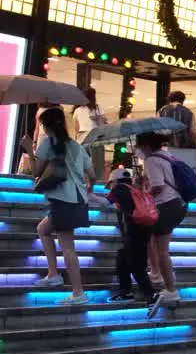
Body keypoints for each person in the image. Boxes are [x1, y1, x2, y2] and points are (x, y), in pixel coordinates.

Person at [32, 108, 94, 305]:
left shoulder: (47, 143)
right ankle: (53, 274)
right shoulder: (76, 146)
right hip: (77, 200)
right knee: (43, 229)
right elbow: (92, 175)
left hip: (63, 200)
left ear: (46, 126)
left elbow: (35, 171)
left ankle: (78, 292)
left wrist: (27, 148)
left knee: (68, 247)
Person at [135, 132, 187, 313]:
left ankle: (170, 288)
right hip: (176, 204)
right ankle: (161, 279)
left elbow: (158, 186)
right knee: (158, 246)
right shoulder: (167, 156)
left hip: (164, 205)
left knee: (160, 248)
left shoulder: (151, 160)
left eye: (140, 146)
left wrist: (144, 194)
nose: (139, 150)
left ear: (146, 146)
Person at [105, 168, 155, 305]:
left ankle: (151, 295)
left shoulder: (120, 188)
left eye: (110, 184)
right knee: (122, 257)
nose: (110, 188)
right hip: (144, 229)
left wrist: (86, 195)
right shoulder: (135, 190)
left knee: (136, 264)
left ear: (115, 181)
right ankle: (125, 292)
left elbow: (104, 203)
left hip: (133, 231)